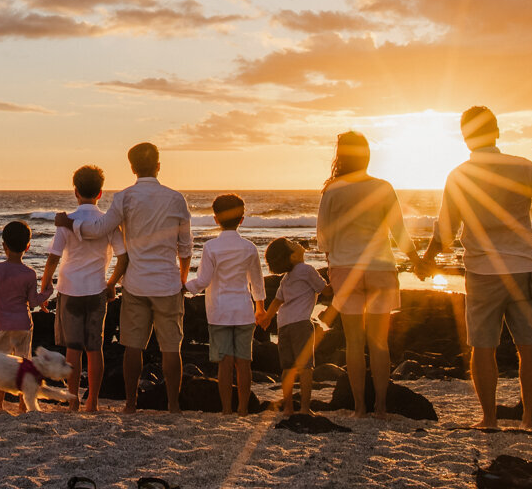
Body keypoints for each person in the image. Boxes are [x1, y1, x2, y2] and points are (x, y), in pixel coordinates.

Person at [421, 107, 532, 431]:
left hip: (482, 273)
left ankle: (489, 420)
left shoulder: (460, 175)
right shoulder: (522, 167)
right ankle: (530, 422)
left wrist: (427, 258)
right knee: (530, 348)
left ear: (465, 137)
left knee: (483, 348)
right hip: (524, 268)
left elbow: (446, 230)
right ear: (497, 132)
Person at [56, 142, 192, 414]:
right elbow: (185, 247)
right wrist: (182, 278)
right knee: (171, 347)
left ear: (132, 167)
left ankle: (131, 404)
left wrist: (69, 223)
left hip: (136, 282)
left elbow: (100, 229)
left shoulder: (124, 198)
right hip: (167, 282)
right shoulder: (176, 199)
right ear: (158, 165)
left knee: (133, 346)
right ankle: (174, 406)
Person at [315, 130, 423, 419]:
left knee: (353, 341)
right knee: (378, 342)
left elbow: (323, 237)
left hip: (345, 270)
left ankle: (360, 408)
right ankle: (382, 407)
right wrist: (416, 261)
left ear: (341, 156)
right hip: (380, 268)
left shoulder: (332, 190)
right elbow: (399, 231)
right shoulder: (383, 187)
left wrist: (332, 265)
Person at [41, 164, 126, 412]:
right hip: (97, 288)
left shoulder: (67, 221)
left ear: (75, 191)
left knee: (73, 350)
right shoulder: (107, 222)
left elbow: (54, 257)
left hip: (69, 288)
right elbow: (123, 257)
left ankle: (73, 401)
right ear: (100, 193)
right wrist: (112, 283)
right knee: (94, 347)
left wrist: (45, 285)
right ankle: (93, 402)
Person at [184, 194, 264, 415]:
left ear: (215, 219)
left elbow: (203, 281)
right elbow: (257, 282)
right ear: (242, 220)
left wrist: (184, 287)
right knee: (244, 363)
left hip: (219, 311)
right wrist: (261, 309)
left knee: (225, 364)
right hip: (244, 310)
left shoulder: (211, 247)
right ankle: (243, 409)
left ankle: (227, 409)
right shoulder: (249, 248)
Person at [0, 220, 52, 413]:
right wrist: (48, 292)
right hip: (23, 326)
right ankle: (22, 405)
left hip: (2, 326)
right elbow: (33, 302)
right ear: (28, 246)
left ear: (3, 246)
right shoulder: (29, 273)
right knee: (23, 364)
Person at [257, 237, 329, 416]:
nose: (296, 242)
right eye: (291, 243)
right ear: (293, 257)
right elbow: (325, 290)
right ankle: (305, 408)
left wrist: (267, 318)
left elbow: (276, 301)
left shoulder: (286, 279)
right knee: (305, 367)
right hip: (301, 324)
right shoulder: (306, 270)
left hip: (284, 326)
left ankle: (288, 408)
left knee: (288, 368)